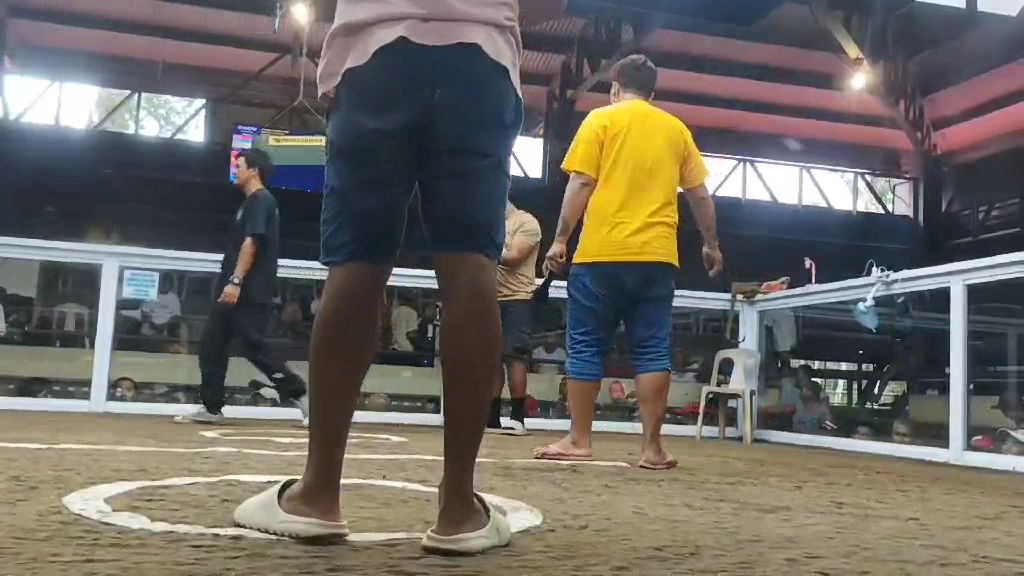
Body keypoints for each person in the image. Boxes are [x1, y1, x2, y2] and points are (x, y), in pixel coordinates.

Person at [232, 0, 523, 556]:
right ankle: (459, 508)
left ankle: (317, 494)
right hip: (480, 62)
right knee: (471, 268)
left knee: (357, 264)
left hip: (375, 56)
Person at [535, 54, 723, 470]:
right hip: (656, 256)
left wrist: (560, 239)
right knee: (652, 350)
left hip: (600, 254)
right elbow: (699, 194)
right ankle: (652, 449)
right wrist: (710, 243)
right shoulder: (675, 129)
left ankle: (579, 440)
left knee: (586, 345)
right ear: (653, 93)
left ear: (615, 88)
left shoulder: (600, 121)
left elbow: (581, 182)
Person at [175, 149, 309, 425]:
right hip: (231, 287)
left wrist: (236, 282)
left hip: (248, 288)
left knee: (251, 345)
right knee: (212, 345)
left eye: (239, 166)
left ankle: (301, 394)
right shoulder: (248, 203)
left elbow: (252, 243)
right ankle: (211, 407)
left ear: (254, 170)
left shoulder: (262, 200)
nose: (235, 171)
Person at [487, 201, 542, 436]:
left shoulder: (527, 223)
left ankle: (517, 418)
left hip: (518, 299)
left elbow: (514, 257)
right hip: (489, 297)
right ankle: (491, 418)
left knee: (515, 357)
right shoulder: (489, 222)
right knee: (491, 359)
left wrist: (484, 249)